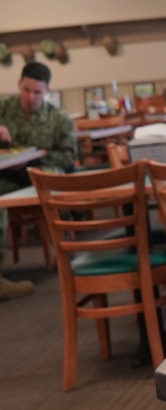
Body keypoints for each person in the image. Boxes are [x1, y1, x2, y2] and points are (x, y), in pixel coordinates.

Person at [0, 62, 76, 300]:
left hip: (41, 174)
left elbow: (68, 156)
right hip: (6, 176)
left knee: (55, 179)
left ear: (47, 91)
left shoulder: (59, 118)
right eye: (27, 91)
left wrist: (37, 155)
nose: (31, 97)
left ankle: (71, 255)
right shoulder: (3, 108)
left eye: (37, 92)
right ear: (19, 85)